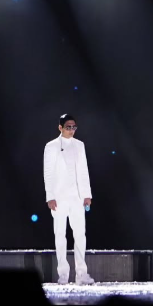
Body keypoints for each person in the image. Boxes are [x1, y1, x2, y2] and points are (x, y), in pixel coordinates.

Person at [43, 114, 95, 285]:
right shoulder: (51, 146)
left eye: (74, 127)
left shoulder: (79, 145)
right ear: (60, 127)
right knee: (60, 235)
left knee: (80, 235)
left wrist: (87, 194)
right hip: (59, 197)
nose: (71, 130)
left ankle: (82, 274)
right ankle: (63, 274)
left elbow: (84, 170)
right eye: (68, 127)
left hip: (77, 197)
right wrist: (50, 196)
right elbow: (48, 173)